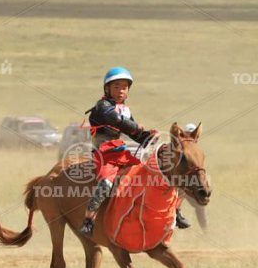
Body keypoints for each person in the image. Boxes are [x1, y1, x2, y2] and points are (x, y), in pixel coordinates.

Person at [79, 67, 189, 236]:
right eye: (116, 87)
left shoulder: (125, 109)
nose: (121, 91)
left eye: (124, 87)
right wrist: (136, 127)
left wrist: (148, 136)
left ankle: (175, 211)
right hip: (103, 153)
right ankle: (88, 220)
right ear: (107, 89)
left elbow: (135, 134)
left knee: (148, 175)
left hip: (121, 152)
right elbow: (115, 119)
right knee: (106, 183)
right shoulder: (102, 106)